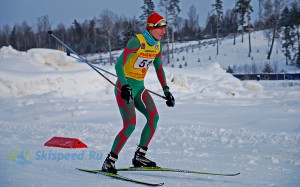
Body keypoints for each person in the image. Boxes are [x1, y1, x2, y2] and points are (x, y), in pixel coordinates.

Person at [101, 12, 175, 174]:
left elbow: (159, 69)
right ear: (151, 27)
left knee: (154, 117)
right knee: (130, 125)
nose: (163, 32)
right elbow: (119, 65)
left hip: (140, 88)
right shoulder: (137, 41)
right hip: (124, 87)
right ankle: (110, 161)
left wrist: (167, 91)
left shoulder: (156, 45)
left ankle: (140, 156)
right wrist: (125, 86)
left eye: (165, 28)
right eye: (160, 28)